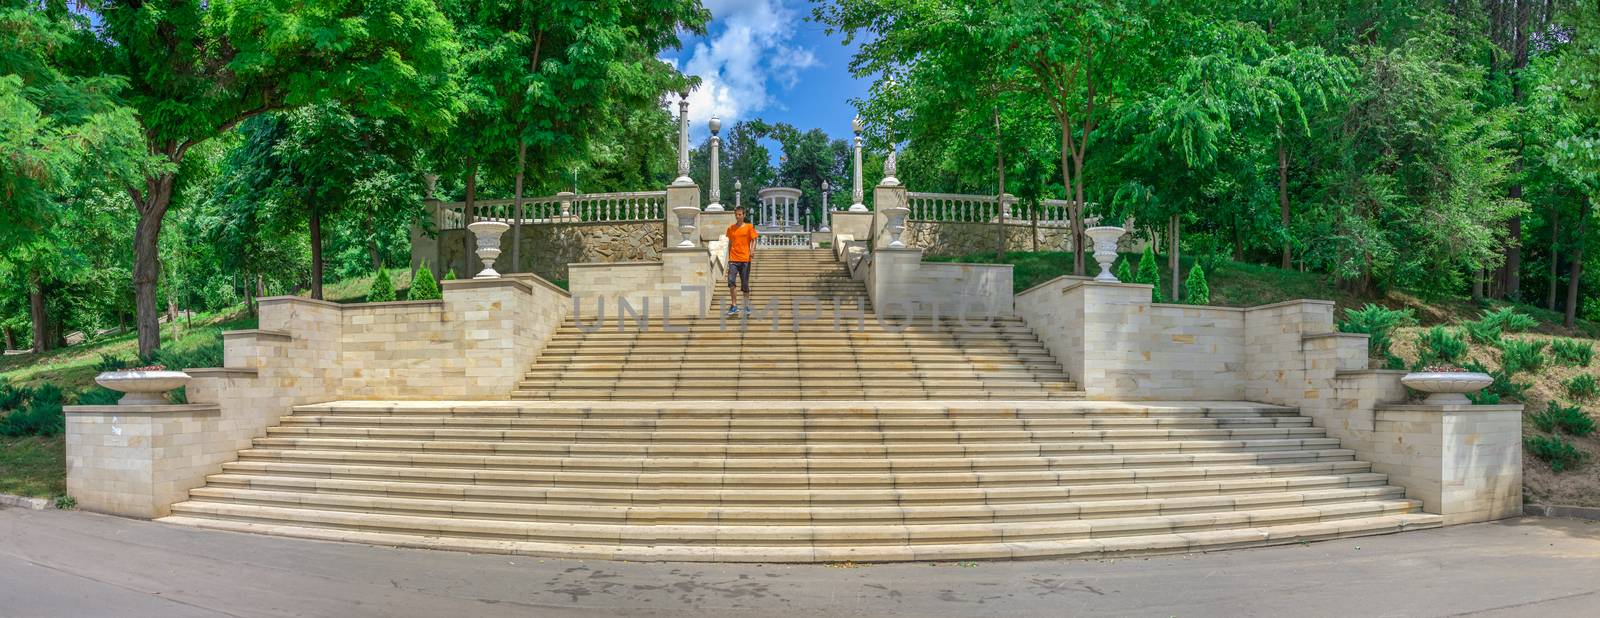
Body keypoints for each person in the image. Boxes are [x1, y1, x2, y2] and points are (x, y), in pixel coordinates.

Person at [725, 205, 759, 315]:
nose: (737, 216)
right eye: (736, 215)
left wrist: (752, 250)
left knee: (745, 284)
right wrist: (728, 258)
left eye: (739, 214)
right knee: (731, 282)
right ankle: (734, 306)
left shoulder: (749, 227)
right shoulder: (731, 228)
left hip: (745, 259)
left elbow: (754, 240)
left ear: (744, 215)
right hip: (733, 259)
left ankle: (746, 306)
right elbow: (730, 243)